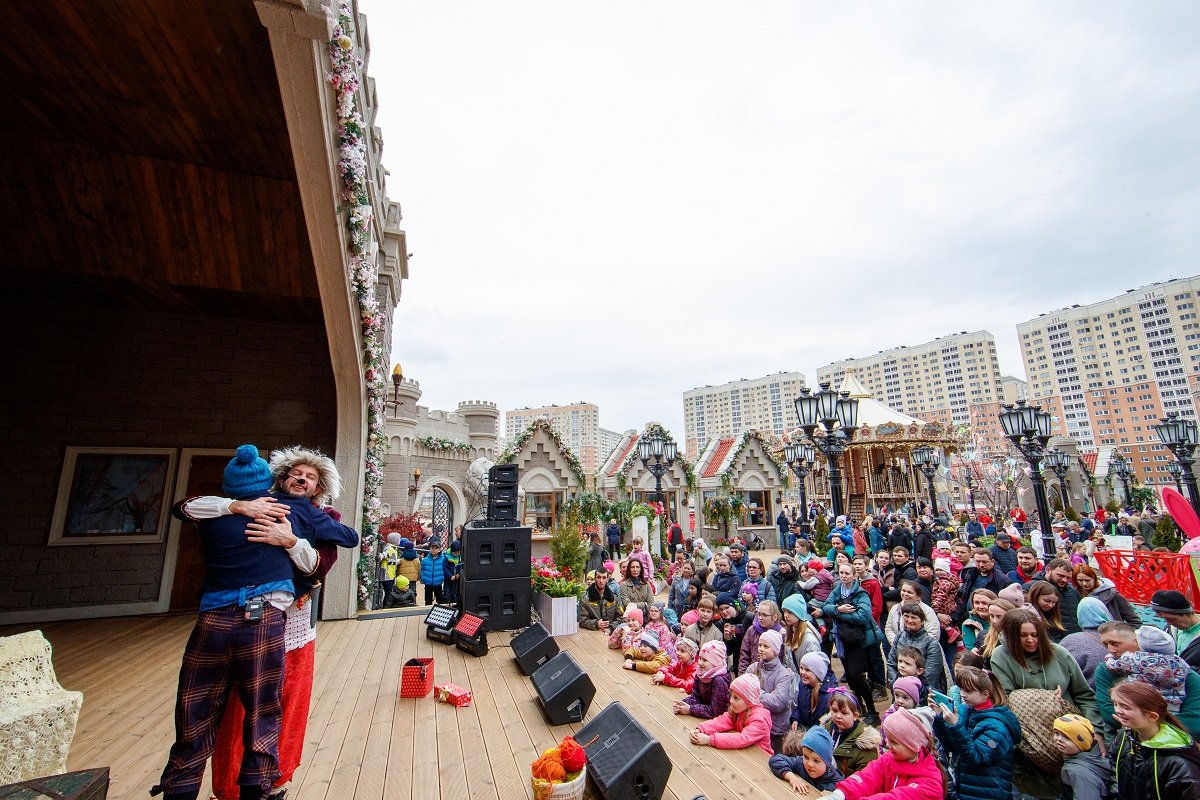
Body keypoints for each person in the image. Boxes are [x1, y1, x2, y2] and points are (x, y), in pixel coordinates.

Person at [153, 445, 357, 800]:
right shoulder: (259, 507)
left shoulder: (309, 514)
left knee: (227, 708)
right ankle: (242, 786)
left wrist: (290, 540)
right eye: (296, 473)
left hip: (282, 624)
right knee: (255, 711)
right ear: (278, 478)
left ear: (319, 487)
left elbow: (319, 566)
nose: (301, 478)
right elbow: (185, 507)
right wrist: (236, 506)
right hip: (261, 624)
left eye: (310, 476)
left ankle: (249, 785)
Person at [990, 608, 1102, 732]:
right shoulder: (1000, 656)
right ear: (1012, 636)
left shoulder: (1059, 653)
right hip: (1030, 728)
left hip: (1069, 725)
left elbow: (1085, 695)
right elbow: (1006, 699)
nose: (1030, 640)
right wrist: (1046, 698)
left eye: (1035, 635)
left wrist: (1096, 730)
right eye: (1023, 635)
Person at [1097, 623, 1200, 741]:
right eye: (1105, 644)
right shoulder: (1105, 670)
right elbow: (1108, 713)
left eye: (1115, 643)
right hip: (1125, 743)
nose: (1111, 650)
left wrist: (1143, 727)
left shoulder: (1182, 672)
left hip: (1176, 744)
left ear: (1137, 642)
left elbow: (1195, 721)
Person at [932, 666, 1020, 800]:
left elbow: (977, 758)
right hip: (967, 788)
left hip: (990, 793)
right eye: (961, 688)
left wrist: (956, 726)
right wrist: (939, 718)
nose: (963, 694)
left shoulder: (997, 727)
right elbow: (951, 746)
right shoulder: (964, 710)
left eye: (969, 691)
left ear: (985, 694)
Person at [823, 708, 943, 800]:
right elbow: (867, 777)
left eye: (894, 742)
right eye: (888, 739)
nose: (887, 745)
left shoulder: (931, 783)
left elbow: (895, 797)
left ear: (913, 744)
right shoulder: (889, 758)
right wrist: (841, 793)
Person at [1110, 681, 1200, 797]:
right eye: (1115, 704)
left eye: (1125, 707)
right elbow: (1114, 770)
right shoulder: (1125, 736)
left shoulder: (1178, 764)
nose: (1117, 710)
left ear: (1152, 716)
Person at [825, 563, 884, 723]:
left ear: (854, 575)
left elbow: (863, 616)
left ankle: (873, 711)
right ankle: (860, 707)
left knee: (856, 675)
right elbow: (826, 607)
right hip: (842, 639)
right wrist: (839, 610)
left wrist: (839, 614)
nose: (843, 576)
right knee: (850, 679)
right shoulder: (838, 590)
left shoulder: (861, 594)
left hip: (858, 640)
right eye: (841, 572)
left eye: (847, 573)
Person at [690, 673, 773, 754]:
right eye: (731, 696)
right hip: (744, 754)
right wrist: (701, 729)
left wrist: (709, 740)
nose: (731, 700)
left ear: (748, 702)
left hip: (760, 760)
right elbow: (722, 721)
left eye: (736, 698)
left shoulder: (759, 720)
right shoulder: (738, 710)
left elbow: (742, 739)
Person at [746, 628, 794, 754]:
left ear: (776, 650)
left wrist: (755, 691)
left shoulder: (783, 674)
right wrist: (767, 695)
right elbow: (743, 692)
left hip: (776, 728)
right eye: (760, 645)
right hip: (755, 722)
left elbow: (778, 703)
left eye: (766, 646)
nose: (761, 648)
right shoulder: (752, 668)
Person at [822, 688, 882, 778]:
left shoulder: (866, 746)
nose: (838, 716)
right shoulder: (823, 730)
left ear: (855, 716)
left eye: (844, 713)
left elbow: (864, 780)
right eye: (834, 710)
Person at [887, 603, 945, 692]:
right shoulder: (899, 637)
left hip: (922, 694)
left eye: (914, 617)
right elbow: (891, 663)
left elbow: (930, 677)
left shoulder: (931, 644)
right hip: (899, 691)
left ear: (922, 621)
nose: (909, 620)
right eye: (906, 616)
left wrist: (911, 690)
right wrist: (896, 685)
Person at [770, 726, 845, 794]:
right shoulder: (800, 763)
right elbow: (776, 759)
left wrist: (835, 796)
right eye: (806, 757)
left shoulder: (838, 784)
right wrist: (792, 778)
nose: (809, 764)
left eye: (816, 760)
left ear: (827, 762)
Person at [1053, 714, 1111, 800]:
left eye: (1067, 737)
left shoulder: (1078, 772)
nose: (1059, 739)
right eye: (1057, 733)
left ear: (1082, 742)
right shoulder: (1094, 757)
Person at [1059, 596, 1114, 685]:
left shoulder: (1070, 640)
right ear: (1105, 612)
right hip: (1117, 695)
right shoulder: (1119, 637)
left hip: (1084, 696)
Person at [675, 640, 731, 720]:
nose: (700, 663)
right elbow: (696, 696)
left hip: (718, 722)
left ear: (716, 663)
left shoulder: (719, 680)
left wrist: (690, 709)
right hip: (702, 716)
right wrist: (682, 704)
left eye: (705, 660)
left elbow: (715, 712)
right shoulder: (701, 673)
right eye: (700, 658)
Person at [1152, 590, 1200, 671]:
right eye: (1165, 619)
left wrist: (1182, 671)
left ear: (1187, 613)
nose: (1169, 623)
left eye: (1172, 619)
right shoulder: (1169, 630)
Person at [790, 652, 839, 732]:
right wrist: (796, 719)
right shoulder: (803, 684)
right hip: (805, 730)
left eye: (807, 670)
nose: (802, 672)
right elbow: (800, 706)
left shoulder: (827, 695)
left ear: (818, 673)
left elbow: (823, 721)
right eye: (801, 668)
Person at [739, 600, 785, 675]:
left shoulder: (781, 633)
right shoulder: (752, 630)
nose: (760, 618)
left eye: (764, 615)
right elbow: (744, 656)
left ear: (775, 617)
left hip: (774, 676)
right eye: (759, 614)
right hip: (754, 674)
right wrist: (743, 676)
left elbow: (783, 658)